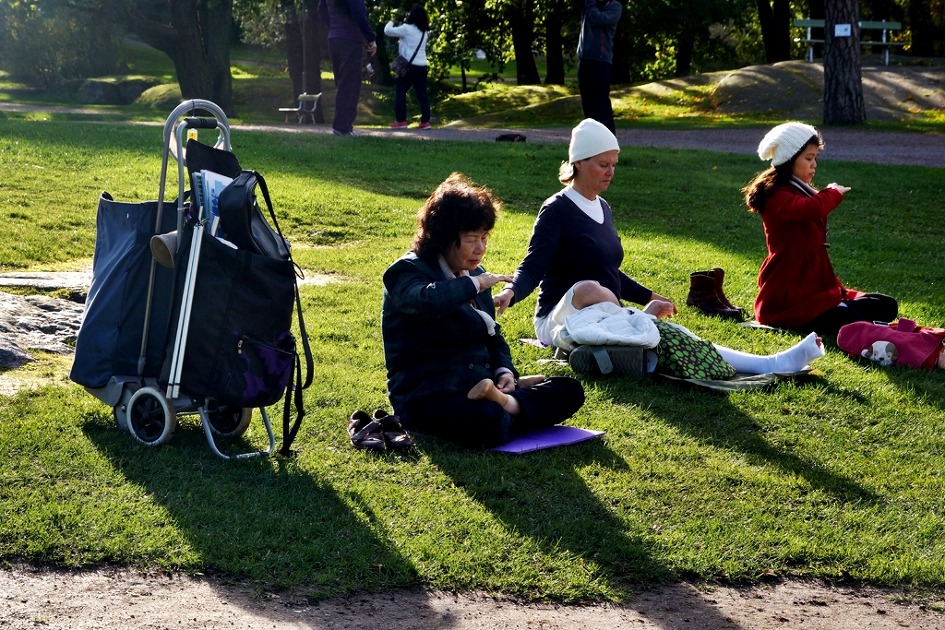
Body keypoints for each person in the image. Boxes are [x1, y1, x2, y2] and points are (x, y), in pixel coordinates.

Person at [381, 173, 586, 449]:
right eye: (471, 239)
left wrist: (504, 372)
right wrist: (475, 284)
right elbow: (426, 300)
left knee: (570, 390)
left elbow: (493, 336)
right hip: (429, 397)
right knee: (489, 421)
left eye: (484, 237)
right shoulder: (405, 272)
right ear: (443, 238)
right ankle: (511, 405)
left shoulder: (475, 274)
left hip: (481, 384)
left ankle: (504, 399)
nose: (480, 248)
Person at [493, 118, 676, 353]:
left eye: (614, 165)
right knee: (588, 289)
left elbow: (608, 272)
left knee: (673, 342)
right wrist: (511, 291)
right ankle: (635, 322)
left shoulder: (604, 207)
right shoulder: (557, 209)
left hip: (604, 316)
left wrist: (650, 296)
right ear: (579, 162)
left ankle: (635, 325)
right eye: (603, 164)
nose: (610, 172)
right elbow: (533, 266)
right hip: (559, 317)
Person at [743, 121, 898, 334]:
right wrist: (832, 192)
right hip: (788, 295)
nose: (814, 164)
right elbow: (811, 209)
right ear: (789, 159)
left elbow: (814, 206)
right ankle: (837, 311)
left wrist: (827, 194)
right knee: (852, 318)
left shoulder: (800, 190)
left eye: (815, 158)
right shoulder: (775, 195)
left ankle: (839, 308)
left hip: (815, 287)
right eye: (808, 158)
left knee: (887, 305)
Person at [316, 0, 377, 136]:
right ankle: (342, 127)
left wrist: (332, 26)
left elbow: (321, 10)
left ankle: (342, 125)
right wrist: (370, 38)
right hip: (350, 38)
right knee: (350, 84)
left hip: (334, 38)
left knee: (342, 83)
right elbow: (359, 13)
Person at [577, 0, 622, 133]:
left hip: (601, 61)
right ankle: (592, 137)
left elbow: (597, 19)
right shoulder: (589, 6)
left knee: (601, 103)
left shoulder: (614, 7)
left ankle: (609, 138)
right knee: (587, 102)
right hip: (585, 59)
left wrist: (590, 3)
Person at [384, 5, 431, 130]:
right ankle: (425, 121)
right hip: (422, 66)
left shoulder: (406, 29)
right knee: (422, 94)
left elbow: (387, 31)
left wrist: (392, 20)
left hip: (409, 67)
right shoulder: (424, 32)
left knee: (400, 92)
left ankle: (401, 121)